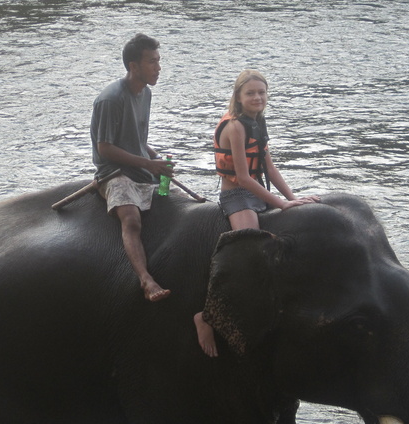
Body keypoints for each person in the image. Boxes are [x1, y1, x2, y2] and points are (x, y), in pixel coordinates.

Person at [193, 70, 320, 357]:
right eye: (250, 93)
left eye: (261, 93)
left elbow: (269, 168)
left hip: (258, 191)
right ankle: (205, 316)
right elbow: (242, 177)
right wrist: (280, 204)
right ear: (238, 96)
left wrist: (293, 198)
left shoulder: (257, 123)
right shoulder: (236, 127)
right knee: (248, 251)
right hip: (237, 195)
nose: (257, 98)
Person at [91, 34, 174, 302]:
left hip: (140, 167)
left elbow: (138, 139)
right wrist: (148, 163)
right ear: (133, 66)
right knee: (131, 219)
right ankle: (145, 279)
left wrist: (156, 159)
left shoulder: (145, 93)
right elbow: (105, 148)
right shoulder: (111, 99)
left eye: (158, 61)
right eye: (152, 62)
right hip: (113, 173)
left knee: (172, 200)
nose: (158, 68)